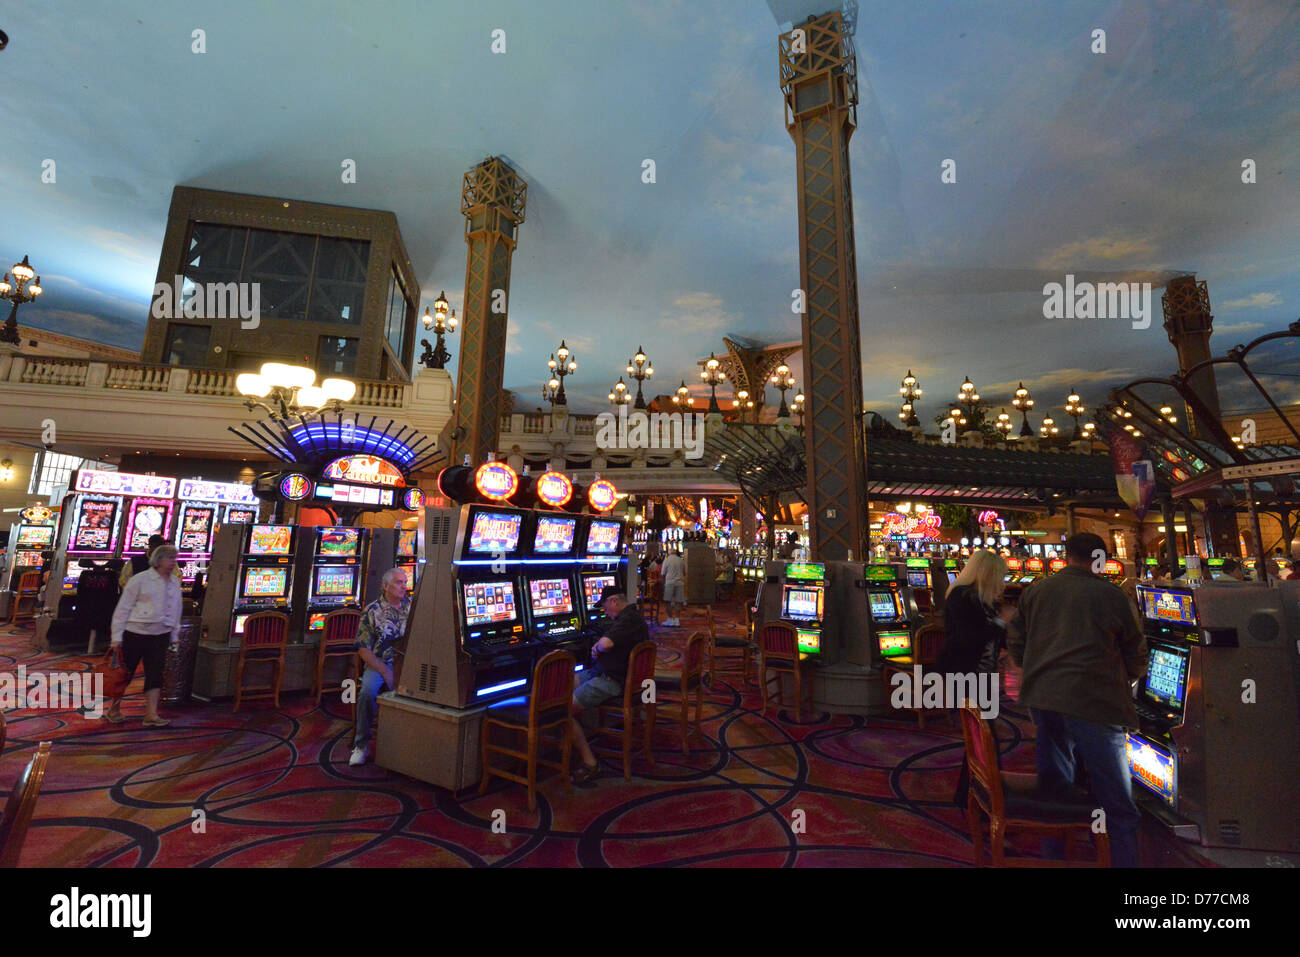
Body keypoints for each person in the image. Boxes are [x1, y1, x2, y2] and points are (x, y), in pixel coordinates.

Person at [1006, 533, 1148, 867]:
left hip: (1044, 699)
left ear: (1066, 555)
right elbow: (1135, 650)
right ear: (1099, 559)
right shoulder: (1111, 595)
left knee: (1056, 788)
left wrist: (1040, 671)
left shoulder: (1036, 590)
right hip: (1095, 701)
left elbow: (1015, 640)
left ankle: (1055, 858)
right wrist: (1126, 680)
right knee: (1116, 802)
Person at [935, 549, 1012, 807]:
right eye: (999, 576)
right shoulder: (961, 597)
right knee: (982, 738)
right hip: (965, 674)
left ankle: (972, 795)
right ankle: (980, 799)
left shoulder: (985, 600)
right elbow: (964, 639)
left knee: (982, 739)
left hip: (983, 676)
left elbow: (995, 639)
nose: (1003, 582)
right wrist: (998, 626)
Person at [570, 584, 651, 786]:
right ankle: (572, 740)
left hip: (612, 681)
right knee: (565, 683)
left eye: (605, 608)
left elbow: (606, 644)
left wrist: (597, 646)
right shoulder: (631, 617)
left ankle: (590, 763)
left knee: (561, 709)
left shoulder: (628, 620)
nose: (605, 613)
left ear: (614, 601)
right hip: (607, 673)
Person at [105, 544, 184, 727]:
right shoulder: (140, 579)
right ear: (158, 560)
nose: (174, 562)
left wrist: (174, 635)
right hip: (135, 633)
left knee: (155, 675)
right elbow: (122, 609)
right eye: (170, 558)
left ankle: (151, 714)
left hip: (160, 634)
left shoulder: (173, 581)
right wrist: (116, 637)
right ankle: (114, 709)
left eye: (174, 559)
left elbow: (175, 610)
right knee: (126, 674)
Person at [350, 567, 410, 766]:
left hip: (407, 663)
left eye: (405, 581)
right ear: (385, 586)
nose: (404, 586)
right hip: (379, 664)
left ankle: (410, 744)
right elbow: (363, 649)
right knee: (367, 692)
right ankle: (361, 744)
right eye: (399, 582)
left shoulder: (412, 607)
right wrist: (385, 672)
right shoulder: (372, 610)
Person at [660, 548, 685, 626]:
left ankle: (670, 619)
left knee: (668, 601)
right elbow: (684, 573)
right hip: (680, 582)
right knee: (678, 602)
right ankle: (677, 620)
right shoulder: (681, 560)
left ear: (669, 553)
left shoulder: (667, 560)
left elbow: (663, 574)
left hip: (669, 582)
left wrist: (663, 584)